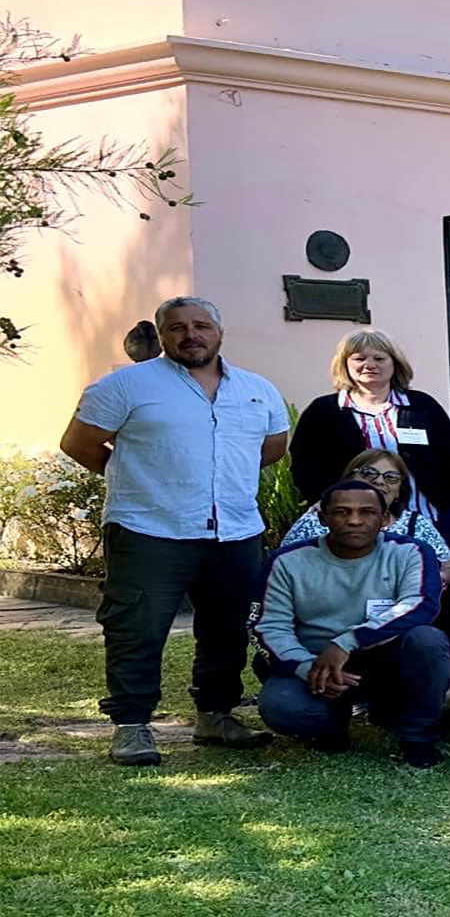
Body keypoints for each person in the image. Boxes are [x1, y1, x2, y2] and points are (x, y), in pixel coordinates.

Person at [59, 295, 288, 766]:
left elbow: (271, 448)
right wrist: (141, 480)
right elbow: (78, 443)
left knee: (227, 628)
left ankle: (216, 714)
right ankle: (131, 725)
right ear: (162, 335)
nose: (191, 335)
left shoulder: (257, 389)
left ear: (219, 333)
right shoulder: (126, 385)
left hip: (234, 531)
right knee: (137, 628)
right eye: (177, 327)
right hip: (149, 529)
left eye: (201, 325)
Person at [252, 480, 450, 767]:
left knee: (428, 640)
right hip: (317, 662)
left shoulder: (411, 552)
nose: (354, 520)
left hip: (385, 660)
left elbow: (419, 605)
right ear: (323, 518)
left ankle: (418, 739)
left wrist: (346, 642)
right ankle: (331, 723)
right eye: (342, 512)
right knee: (282, 708)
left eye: (367, 512)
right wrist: (309, 668)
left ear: (385, 519)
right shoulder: (286, 561)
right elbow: (270, 627)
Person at [291, 329, 450, 527]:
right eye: (359, 358)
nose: (369, 365)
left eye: (379, 358)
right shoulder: (323, 410)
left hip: (423, 519)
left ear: (395, 364)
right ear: (345, 364)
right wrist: (324, 501)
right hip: (350, 524)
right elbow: (304, 465)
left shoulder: (423, 406)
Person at [283, 449, 450, 586]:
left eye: (391, 477)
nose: (379, 481)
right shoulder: (317, 520)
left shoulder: (415, 524)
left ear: (399, 490)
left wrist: (431, 578)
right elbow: (282, 567)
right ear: (349, 479)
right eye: (369, 473)